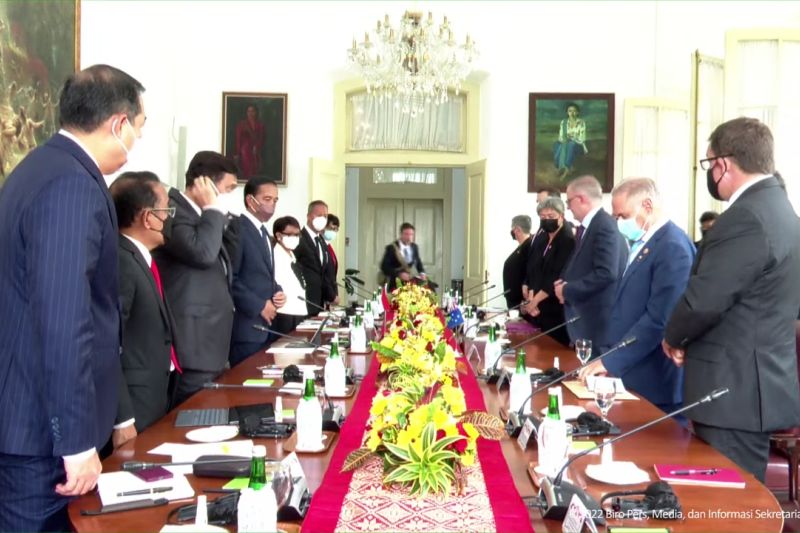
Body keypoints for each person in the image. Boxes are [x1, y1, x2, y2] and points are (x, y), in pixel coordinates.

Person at [0, 64, 145, 531]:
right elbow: (64, 319)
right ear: (118, 123)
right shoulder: (70, 184)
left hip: (30, 424)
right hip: (41, 436)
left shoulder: (43, 167)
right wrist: (77, 443)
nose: (137, 139)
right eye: (139, 127)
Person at [663, 117, 800, 482]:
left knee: (728, 498)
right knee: (734, 495)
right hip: (752, 384)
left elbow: (706, 299)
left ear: (722, 164)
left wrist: (674, 338)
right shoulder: (780, 208)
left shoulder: (746, 217)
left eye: (709, 164)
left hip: (733, 389)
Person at [579, 178, 694, 413]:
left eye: (623, 216)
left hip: (655, 379)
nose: (619, 223)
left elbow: (660, 320)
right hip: (631, 371)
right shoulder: (643, 242)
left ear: (647, 206)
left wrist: (611, 361)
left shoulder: (673, 247)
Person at [153, 150, 238, 406]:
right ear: (205, 183)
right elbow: (203, 253)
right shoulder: (173, 211)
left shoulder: (204, 217)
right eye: (229, 188)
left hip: (210, 344)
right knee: (189, 416)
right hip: (191, 345)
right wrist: (212, 207)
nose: (230, 195)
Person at [110, 172, 179, 446]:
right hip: (133, 404)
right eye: (167, 211)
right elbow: (108, 344)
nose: (170, 219)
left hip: (154, 393)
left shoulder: (140, 257)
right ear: (148, 217)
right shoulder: (122, 262)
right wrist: (123, 418)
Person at [555, 175, 626, 346]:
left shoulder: (604, 226)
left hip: (597, 323)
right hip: (587, 321)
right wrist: (564, 281)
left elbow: (606, 273)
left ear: (581, 199)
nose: (568, 207)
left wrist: (567, 290)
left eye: (569, 201)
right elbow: (582, 263)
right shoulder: (591, 225)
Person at [227, 176, 286, 366]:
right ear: (250, 200)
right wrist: (260, 305)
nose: (272, 205)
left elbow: (262, 274)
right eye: (267, 199)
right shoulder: (238, 229)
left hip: (266, 328)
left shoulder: (264, 233)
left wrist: (278, 291)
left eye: (275, 200)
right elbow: (231, 277)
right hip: (247, 328)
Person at [522, 199, 575, 346]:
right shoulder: (542, 236)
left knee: (551, 349)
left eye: (551, 216)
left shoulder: (567, 240)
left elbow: (556, 275)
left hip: (554, 308)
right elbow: (533, 267)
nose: (546, 220)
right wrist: (530, 294)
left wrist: (534, 301)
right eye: (543, 217)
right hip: (536, 307)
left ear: (561, 216)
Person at [295, 200, 338, 315]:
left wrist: (331, 295)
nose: (322, 219)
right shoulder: (299, 239)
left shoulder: (321, 241)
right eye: (319, 215)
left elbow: (325, 272)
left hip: (319, 303)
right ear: (309, 216)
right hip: (305, 301)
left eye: (325, 216)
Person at [272, 216, 310, 335]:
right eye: (290, 235)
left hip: (298, 311)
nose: (295, 238)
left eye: (297, 235)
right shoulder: (275, 256)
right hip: (284, 312)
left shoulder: (292, 255)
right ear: (279, 236)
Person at [380, 222, 427, 291]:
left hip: (409, 283)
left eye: (411, 234)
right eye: (406, 234)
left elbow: (418, 262)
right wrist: (399, 274)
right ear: (401, 234)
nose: (409, 237)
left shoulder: (414, 247)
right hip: (394, 284)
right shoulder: (391, 248)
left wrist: (422, 273)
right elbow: (384, 267)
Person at [503, 215, 534, 310]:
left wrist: (525, 300)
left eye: (512, 229)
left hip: (521, 303)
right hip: (514, 301)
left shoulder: (529, 246)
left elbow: (529, 273)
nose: (512, 232)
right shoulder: (523, 246)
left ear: (517, 229)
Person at [553, 102, 588, 179]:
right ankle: (559, 165)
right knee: (556, 144)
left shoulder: (581, 123)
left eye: (574, 111)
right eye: (570, 111)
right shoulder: (564, 122)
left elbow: (582, 139)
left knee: (571, 144)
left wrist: (571, 138)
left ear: (577, 112)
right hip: (565, 142)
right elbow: (560, 137)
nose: (572, 113)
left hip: (578, 145)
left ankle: (567, 167)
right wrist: (565, 139)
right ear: (567, 112)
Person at [235, 104, 265, 179]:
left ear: (256, 112)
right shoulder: (242, 124)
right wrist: (238, 153)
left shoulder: (260, 125)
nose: (250, 113)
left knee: (256, 169)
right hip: (245, 151)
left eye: (252, 111)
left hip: (257, 151)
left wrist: (257, 147)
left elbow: (262, 138)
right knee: (247, 169)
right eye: (249, 111)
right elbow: (238, 139)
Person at [324, 213, 340, 281]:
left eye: (336, 229)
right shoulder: (320, 245)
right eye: (332, 228)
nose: (334, 232)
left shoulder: (329, 246)